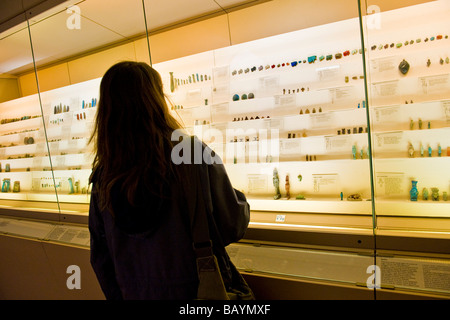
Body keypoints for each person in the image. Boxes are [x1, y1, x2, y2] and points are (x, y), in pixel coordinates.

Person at [88, 61, 250, 300]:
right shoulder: (191, 151)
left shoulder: (104, 175)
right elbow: (232, 225)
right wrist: (239, 198)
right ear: (155, 99)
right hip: (194, 290)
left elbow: (101, 259)